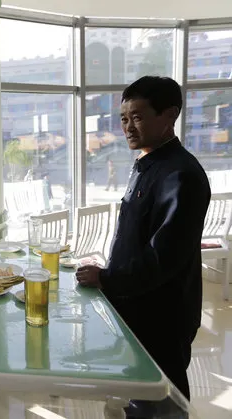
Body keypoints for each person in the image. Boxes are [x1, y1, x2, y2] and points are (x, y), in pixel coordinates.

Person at [76, 76, 210, 417]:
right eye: (123, 118)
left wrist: (108, 279)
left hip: (163, 314)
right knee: (137, 395)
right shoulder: (149, 163)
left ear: (169, 116)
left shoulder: (181, 175)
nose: (127, 127)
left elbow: (163, 256)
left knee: (161, 399)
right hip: (135, 305)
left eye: (137, 117)